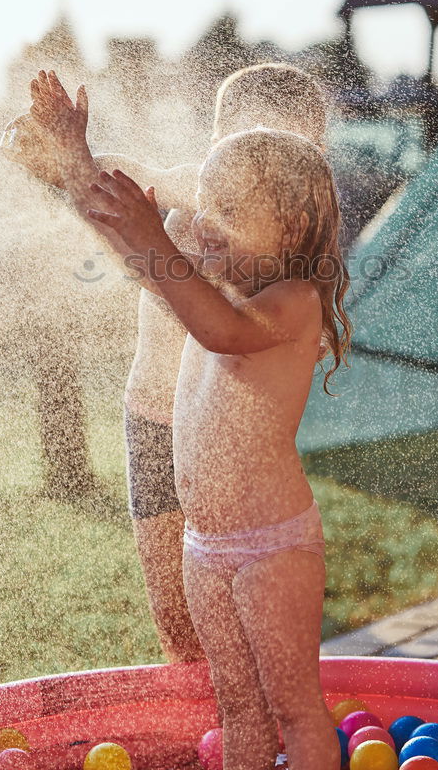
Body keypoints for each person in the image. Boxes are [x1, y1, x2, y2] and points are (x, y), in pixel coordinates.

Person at [15, 64, 328, 664]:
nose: (264, 155)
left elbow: (206, 313)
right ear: (217, 140)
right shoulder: (196, 197)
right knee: (178, 612)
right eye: (248, 137)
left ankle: (263, 716)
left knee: (251, 605)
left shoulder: (292, 227)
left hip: (228, 430)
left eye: (289, 142)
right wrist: (69, 152)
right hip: (158, 420)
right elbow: (127, 184)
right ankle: (208, 725)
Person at [83, 127, 350, 770]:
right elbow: (149, 269)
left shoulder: (292, 302)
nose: (204, 221)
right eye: (205, 204)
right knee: (238, 710)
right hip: (204, 545)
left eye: (228, 210)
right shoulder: (208, 284)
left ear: (290, 226)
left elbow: (223, 331)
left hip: (272, 545)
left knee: (293, 708)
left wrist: (152, 236)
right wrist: (80, 167)